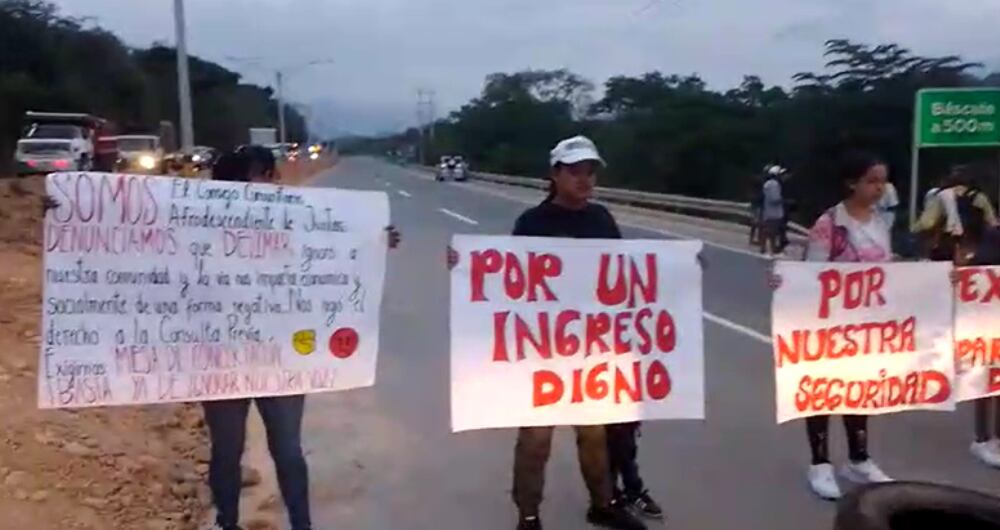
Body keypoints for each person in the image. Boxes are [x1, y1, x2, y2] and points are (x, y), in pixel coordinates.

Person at [449, 136, 647, 530]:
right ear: (555, 175)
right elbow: (508, 278)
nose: (584, 179)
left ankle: (603, 505)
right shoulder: (533, 223)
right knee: (536, 439)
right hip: (542, 351)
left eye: (590, 171)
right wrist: (464, 265)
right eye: (575, 171)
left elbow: (626, 274)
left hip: (590, 348)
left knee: (594, 434)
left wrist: (683, 269)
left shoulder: (602, 220)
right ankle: (528, 516)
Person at [204, 147, 400, 530]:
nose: (274, 182)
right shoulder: (199, 226)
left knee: (285, 450)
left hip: (277, 358)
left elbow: (331, 248)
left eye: (271, 175)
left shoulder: (291, 221)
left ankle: (298, 524)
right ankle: (229, 522)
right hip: (226, 356)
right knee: (230, 451)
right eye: (265, 175)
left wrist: (373, 240)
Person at [771, 150, 895, 500]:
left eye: (883, 181)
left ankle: (859, 457)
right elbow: (813, 275)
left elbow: (888, 271)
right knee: (823, 392)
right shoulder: (830, 224)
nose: (879, 188)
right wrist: (788, 284)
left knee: (859, 390)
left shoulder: (880, 223)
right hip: (829, 326)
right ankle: (820, 463)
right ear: (852, 183)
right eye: (871, 181)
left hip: (866, 327)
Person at [914, 164, 1000, 467]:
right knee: (989, 369)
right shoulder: (981, 201)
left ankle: (986, 437)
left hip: (955, 261)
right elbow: (990, 224)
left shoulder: (940, 197)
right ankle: (987, 438)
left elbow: (924, 225)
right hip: (983, 287)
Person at [759, 165, 786, 256]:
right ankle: (771, 249)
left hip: (768, 211)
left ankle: (765, 248)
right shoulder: (774, 185)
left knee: (768, 231)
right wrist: (783, 200)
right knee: (772, 232)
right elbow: (775, 199)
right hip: (774, 212)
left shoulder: (768, 184)